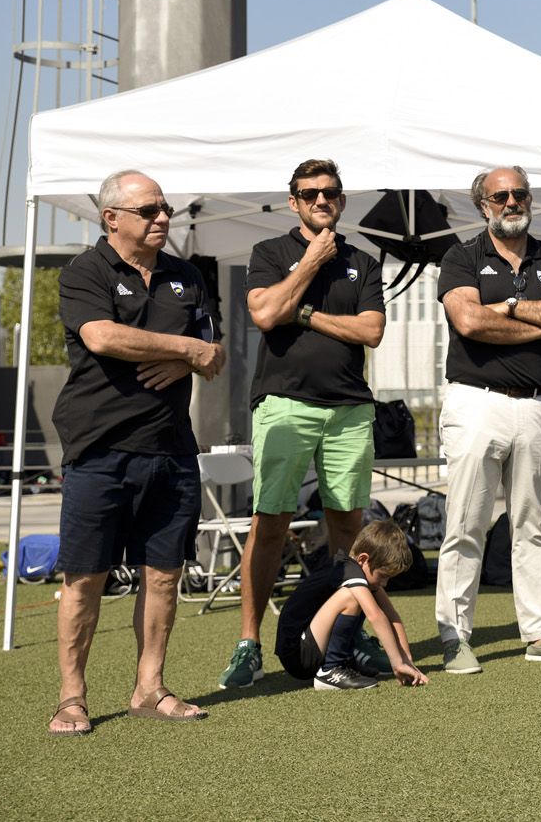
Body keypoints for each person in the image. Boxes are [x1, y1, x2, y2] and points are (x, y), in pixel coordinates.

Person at [48, 170, 225, 733]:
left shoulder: (186, 275)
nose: (162, 218)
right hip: (99, 449)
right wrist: (187, 348)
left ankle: (149, 688)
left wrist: (194, 357)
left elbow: (217, 356)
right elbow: (102, 336)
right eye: (149, 210)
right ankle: (72, 697)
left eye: (165, 208)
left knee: (165, 577)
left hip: (171, 450)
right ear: (112, 219)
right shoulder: (85, 270)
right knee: (86, 578)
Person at [219, 158, 387, 690]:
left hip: (349, 409)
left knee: (348, 531)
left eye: (331, 192)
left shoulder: (363, 259)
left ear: (342, 199)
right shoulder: (271, 253)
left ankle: (344, 634)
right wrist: (311, 262)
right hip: (284, 403)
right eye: (310, 193)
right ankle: (249, 643)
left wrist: (309, 315)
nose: (321, 200)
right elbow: (266, 315)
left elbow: (372, 330)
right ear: (293, 201)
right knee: (270, 523)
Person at [434, 166, 541, 673]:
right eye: (500, 195)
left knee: (535, 526)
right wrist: (540, 320)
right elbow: (468, 320)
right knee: (465, 524)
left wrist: (510, 307)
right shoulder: (461, 256)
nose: (511, 201)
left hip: (540, 404)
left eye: (519, 193)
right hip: (477, 402)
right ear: (483, 205)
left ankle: (540, 634)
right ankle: (455, 638)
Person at [275, 520, 428, 690]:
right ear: (363, 559)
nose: (385, 583)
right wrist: (397, 664)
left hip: (312, 644)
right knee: (351, 597)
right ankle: (331, 669)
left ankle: (343, 662)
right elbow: (375, 615)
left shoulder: (362, 574)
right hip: (298, 654)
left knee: (366, 592)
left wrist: (407, 660)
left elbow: (392, 616)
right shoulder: (348, 570)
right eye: (383, 576)